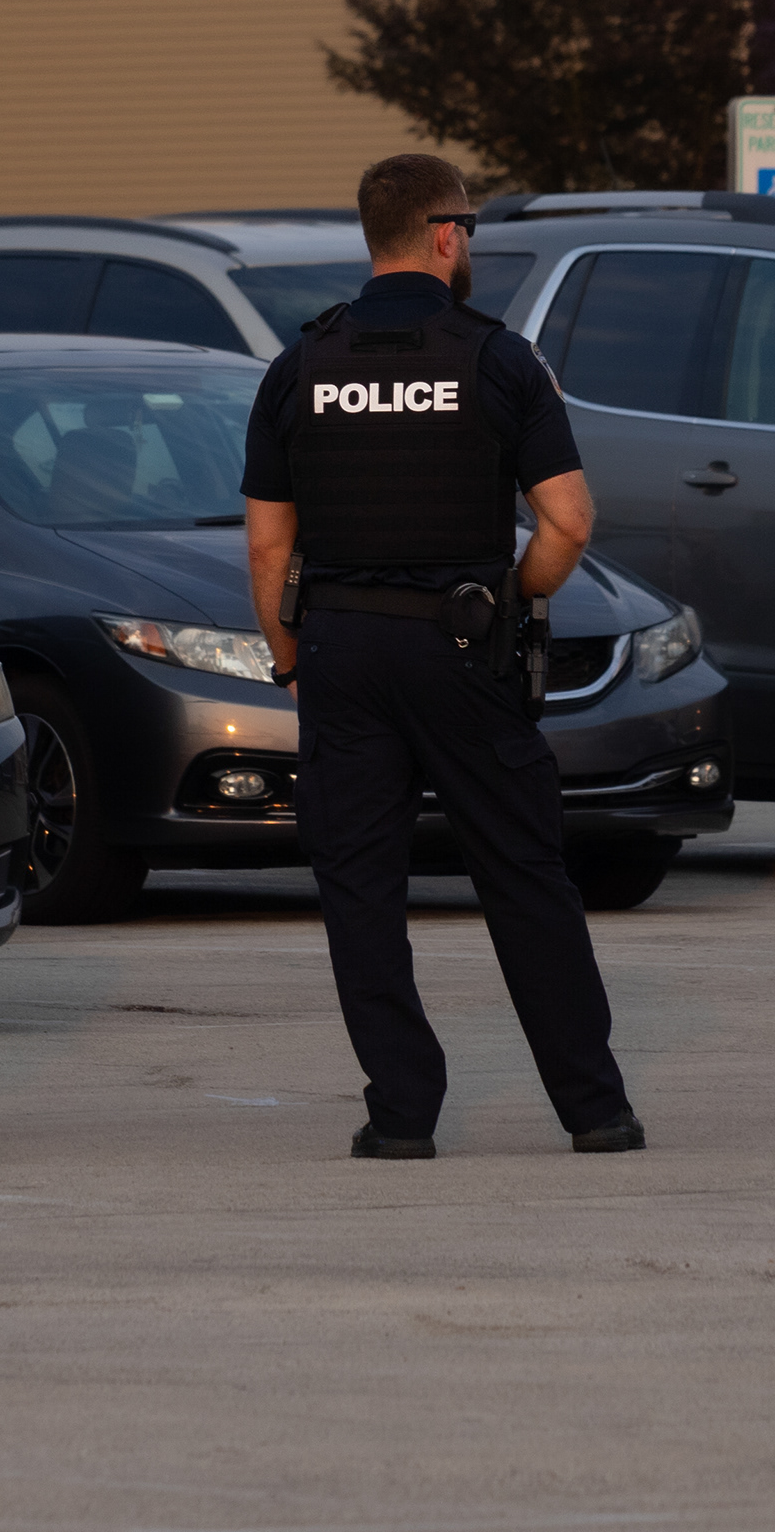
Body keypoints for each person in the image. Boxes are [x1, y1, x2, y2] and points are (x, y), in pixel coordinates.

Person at [240, 151, 643, 1160]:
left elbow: (266, 544)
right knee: (523, 873)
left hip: (340, 649)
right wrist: (515, 597)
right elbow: (568, 519)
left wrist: (293, 658)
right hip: (463, 648)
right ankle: (593, 1107)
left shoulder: (301, 365)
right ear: (446, 234)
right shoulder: (497, 358)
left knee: (362, 886)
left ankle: (403, 1113)